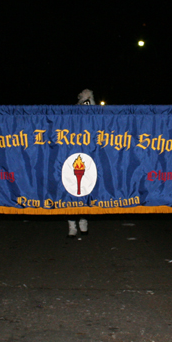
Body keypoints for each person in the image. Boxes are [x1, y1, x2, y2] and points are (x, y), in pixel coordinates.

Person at [67, 89, 95, 237]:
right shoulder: (72, 115)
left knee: (86, 191)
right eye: (84, 99)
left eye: (89, 99)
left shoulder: (93, 117)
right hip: (71, 155)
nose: (86, 102)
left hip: (88, 156)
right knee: (70, 192)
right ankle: (72, 226)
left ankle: (84, 222)